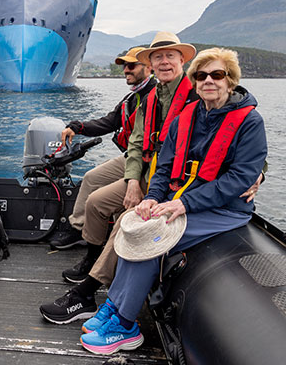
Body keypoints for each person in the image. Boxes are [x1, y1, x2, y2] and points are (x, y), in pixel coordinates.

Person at [79, 47, 268, 355]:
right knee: (139, 224)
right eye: (202, 76)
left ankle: (126, 325)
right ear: (194, 81)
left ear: (230, 81)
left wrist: (183, 205)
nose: (209, 81)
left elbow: (239, 179)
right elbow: (164, 167)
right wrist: (152, 198)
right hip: (181, 198)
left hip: (224, 210)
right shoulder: (186, 119)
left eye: (217, 75)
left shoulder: (250, 122)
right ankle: (115, 306)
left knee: (153, 238)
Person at [48, 47, 157, 250]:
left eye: (131, 65)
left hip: (149, 162)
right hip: (132, 158)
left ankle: (96, 243)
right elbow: (109, 122)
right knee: (91, 178)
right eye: (124, 66)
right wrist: (78, 127)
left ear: (148, 67)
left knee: (100, 198)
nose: (126, 70)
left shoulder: (156, 96)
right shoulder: (132, 98)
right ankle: (79, 228)